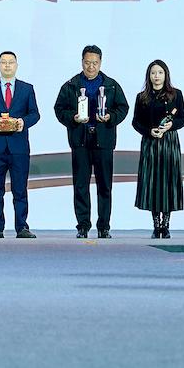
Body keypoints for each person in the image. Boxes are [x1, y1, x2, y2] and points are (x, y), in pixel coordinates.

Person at [54, 44, 129, 239]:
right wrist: (73, 118)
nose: (91, 67)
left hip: (104, 141)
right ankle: (83, 226)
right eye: (87, 62)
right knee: (81, 185)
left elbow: (123, 108)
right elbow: (59, 109)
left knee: (105, 185)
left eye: (95, 63)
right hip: (80, 140)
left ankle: (104, 227)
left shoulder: (111, 85)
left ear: (100, 62)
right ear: (82, 62)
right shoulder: (71, 85)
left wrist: (111, 117)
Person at [0, 51, 40, 239]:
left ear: (16, 65)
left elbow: (35, 114)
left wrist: (23, 122)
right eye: (3, 62)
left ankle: (22, 227)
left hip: (18, 146)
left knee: (20, 189)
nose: (7, 65)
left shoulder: (27, 88)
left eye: (10, 62)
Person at [132, 59, 184, 239]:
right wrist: (149, 131)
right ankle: (156, 225)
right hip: (150, 143)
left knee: (168, 182)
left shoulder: (176, 94)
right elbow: (136, 122)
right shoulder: (142, 97)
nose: (157, 76)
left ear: (166, 75)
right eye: (153, 73)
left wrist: (171, 125)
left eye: (160, 73)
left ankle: (166, 224)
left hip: (169, 143)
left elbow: (183, 119)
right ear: (149, 76)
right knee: (153, 182)